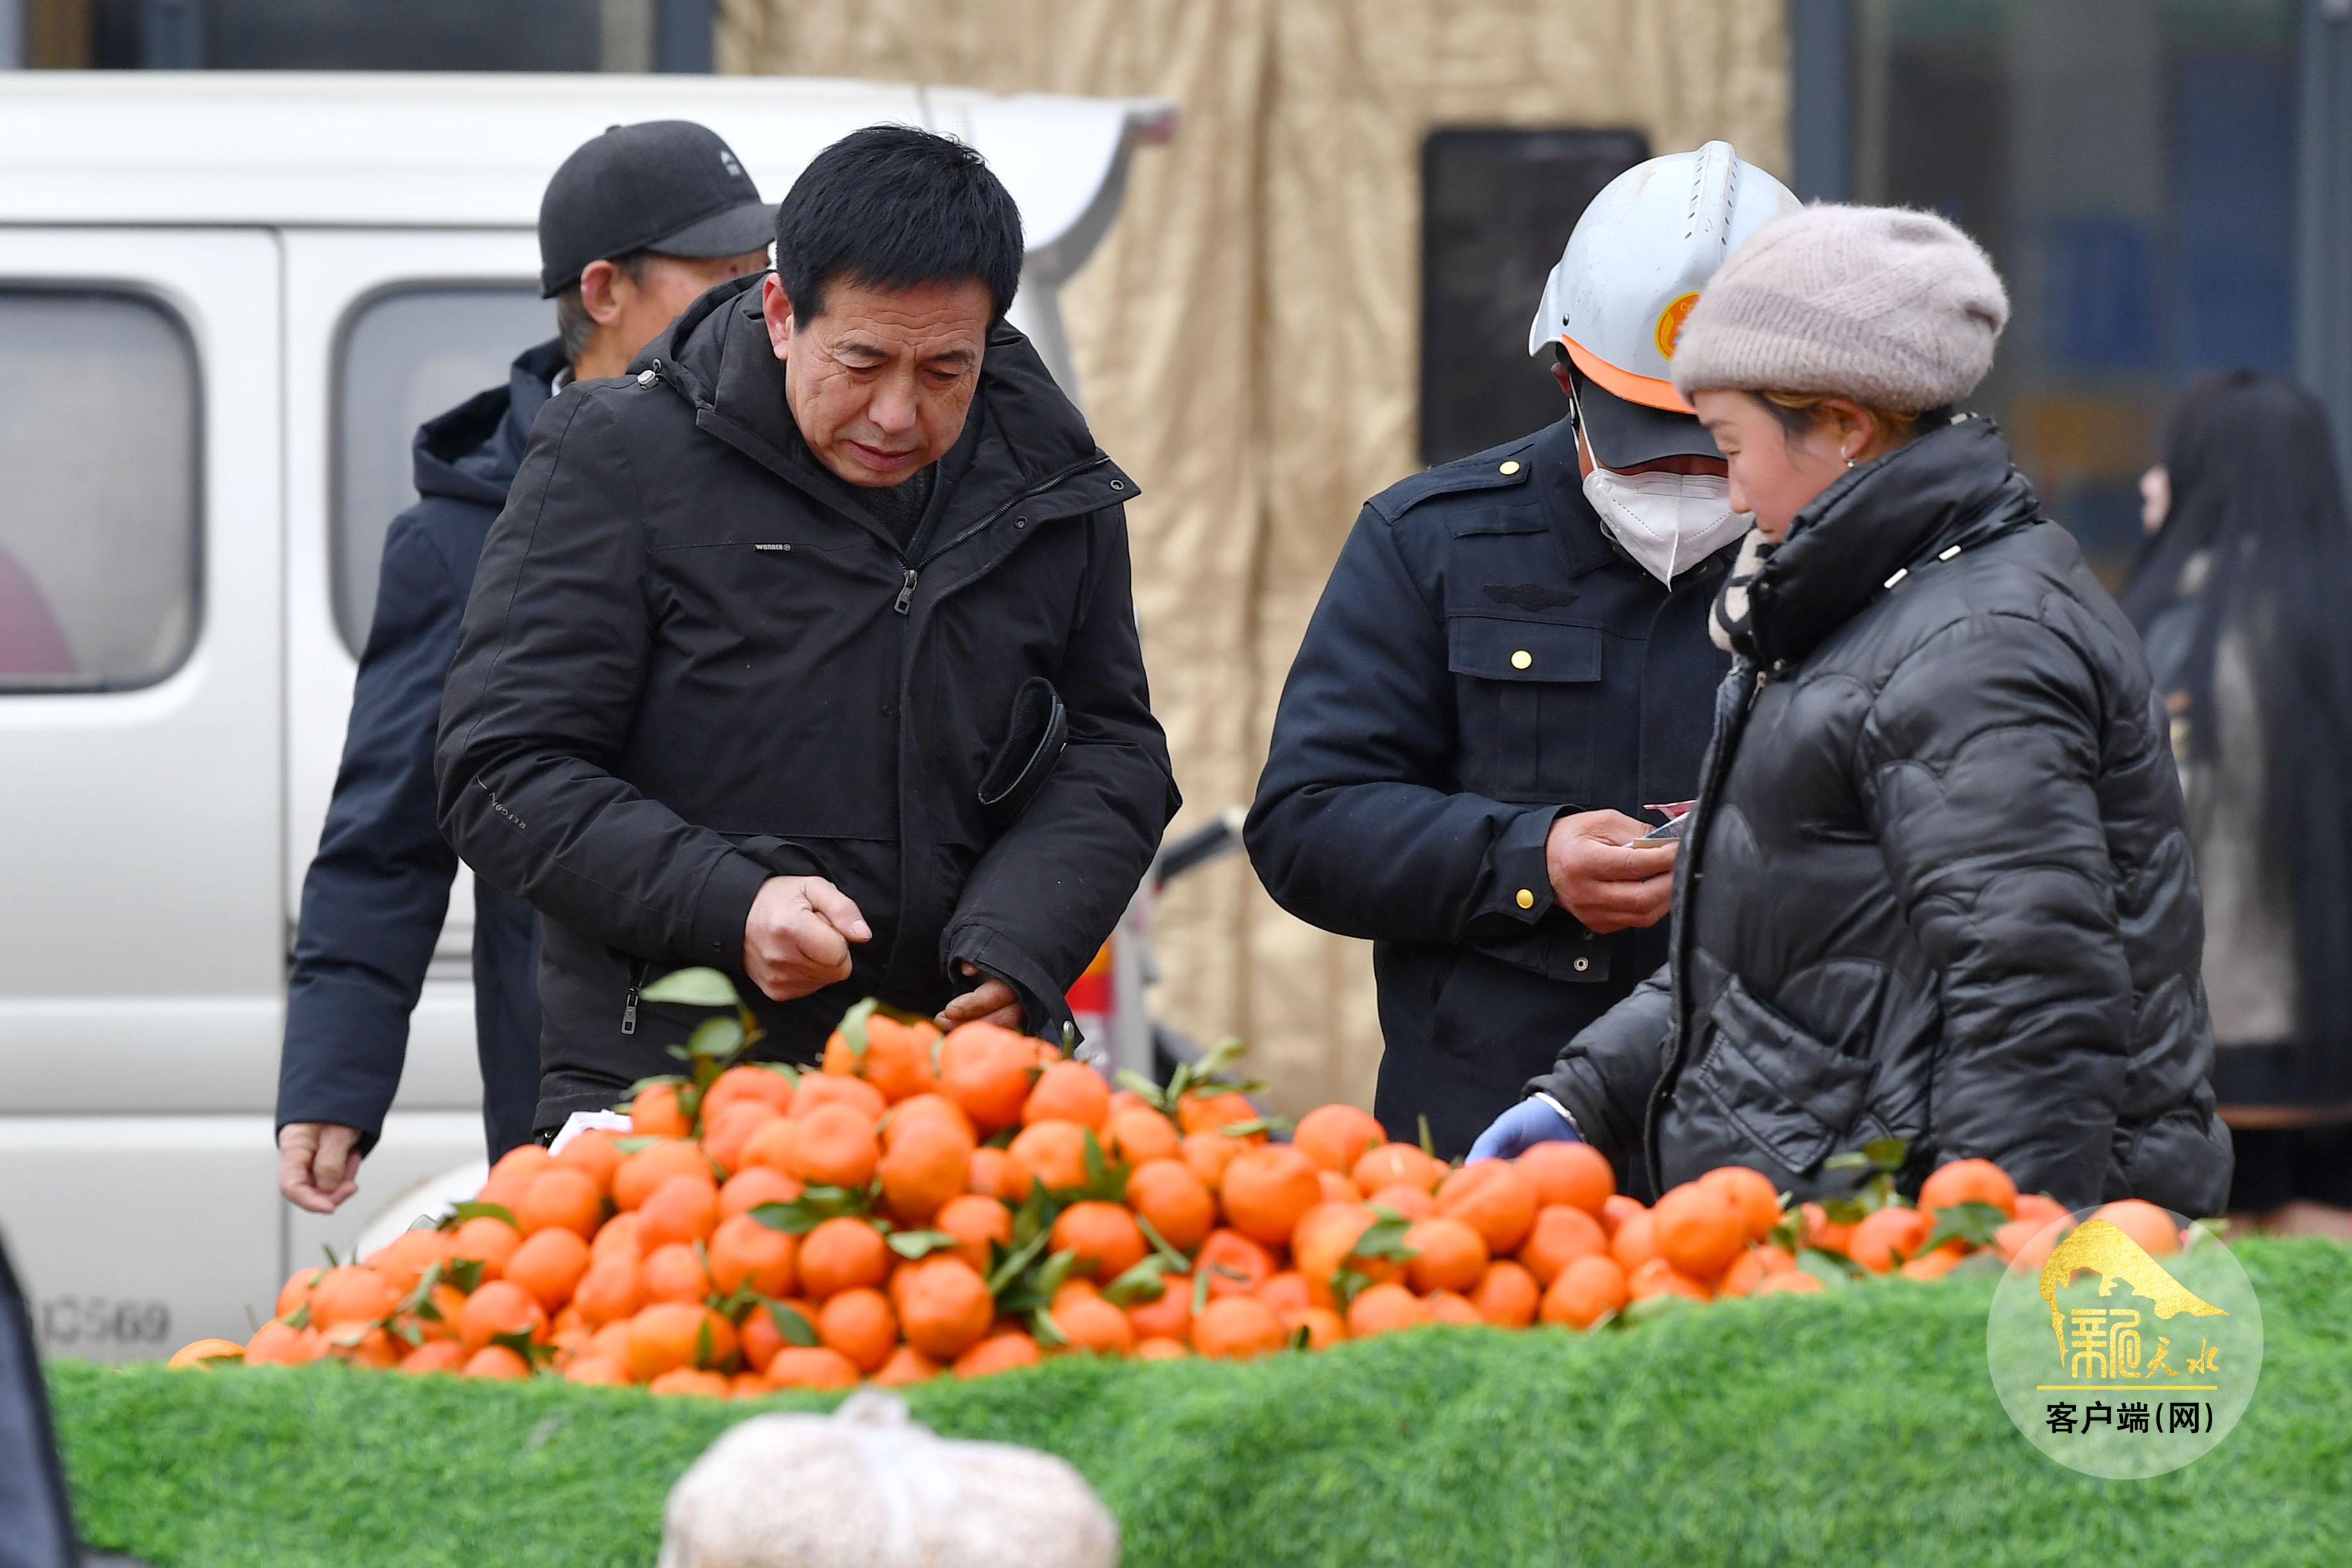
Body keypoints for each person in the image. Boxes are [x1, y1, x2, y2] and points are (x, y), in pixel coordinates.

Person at [1470, 205, 2233, 1217]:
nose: (1732, 494)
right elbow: (1777, 956)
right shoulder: (1861, 610)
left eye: (1733, 445)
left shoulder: (1975, 646)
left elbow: (2034, 1006)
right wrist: (1588, 1093)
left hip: (1913, 1242)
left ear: (1842, 427)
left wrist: (1964, 1268)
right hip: (1832, 1224)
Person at [436, 126, 1178, 1138]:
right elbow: (500, 768)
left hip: (957, 1094)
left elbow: (1112, 749)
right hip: (677, 1095)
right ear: (783, 314)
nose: (896, 414)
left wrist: (1019, 942)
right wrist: (733, 904)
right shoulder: (616, 453)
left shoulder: (1051, 478)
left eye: (946, 370)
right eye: (861, 361)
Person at [1246, 144, 1796, 1158]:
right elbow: (1306, 824)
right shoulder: (1434, 542)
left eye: (1721, 444)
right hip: (1488, 1154)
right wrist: (1528, 860)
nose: (1688, 479)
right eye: (1649, 441)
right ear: (1566, 377)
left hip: (1769, 1151)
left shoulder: (1849, 567)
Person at [275, 121, 775, 1212]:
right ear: (604, 289)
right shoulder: (464, 538)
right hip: (575, 1083)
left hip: (789, 1055)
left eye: (765, 273)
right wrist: (334, 1080)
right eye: (721, 276)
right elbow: (388, 841)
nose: (758, 306)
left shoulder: (789, 484)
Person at [2122, 371, 2352, 1235]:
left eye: (2169, 461)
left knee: (2231, 1287)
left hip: (2213, 1037)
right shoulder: (2332, 625)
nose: (2149, 482)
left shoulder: (2174, 638)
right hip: (2331, 1036)